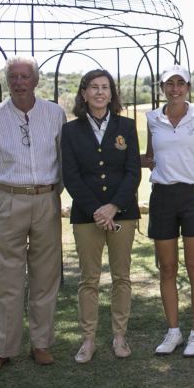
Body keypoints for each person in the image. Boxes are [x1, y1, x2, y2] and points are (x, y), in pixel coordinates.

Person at [0, 55, 66, 374]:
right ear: (7, 81)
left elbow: (63, 159)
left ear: (36, 80)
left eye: (25, 76)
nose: (19, 82)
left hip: (46, 201)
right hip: (8, 200)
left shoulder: (55, 113)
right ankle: (2, 349)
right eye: (13, 77)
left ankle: (41, 344)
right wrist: (1, 199)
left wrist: (53, 195)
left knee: (45, 276)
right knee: (8, 277)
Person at [61, 69, 142, 363]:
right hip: (86, 216)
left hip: (123, 213)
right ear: (83, 93)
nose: (99, 92)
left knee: (121, 277)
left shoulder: (127, 126)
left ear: (112, 93)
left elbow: (133, 171)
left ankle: (120, 336)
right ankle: (89, 339)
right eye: (93, 87)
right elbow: (70, 175)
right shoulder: (70, 131)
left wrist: (113, 207)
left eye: (105, 87)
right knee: (89, 279)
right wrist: (97, 209)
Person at [141, 64, 194, 357]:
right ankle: (173, 332)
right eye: (169, 84)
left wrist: (189, 167)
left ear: (188, 87)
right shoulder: (153, 118)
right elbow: (150, 155)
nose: (175, 89)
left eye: (180, 83)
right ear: (162, 89)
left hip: (193, 195)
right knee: (167, 267)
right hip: (163, 196)